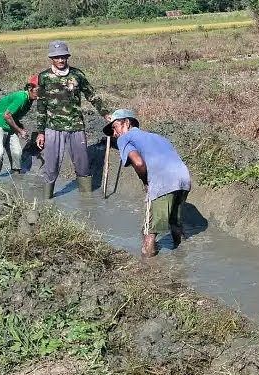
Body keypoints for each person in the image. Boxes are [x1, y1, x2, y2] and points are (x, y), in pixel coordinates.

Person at [107, 109, 191, 258]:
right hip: (183, 178)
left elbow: (139, 163)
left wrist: (146, 182)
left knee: (149, 231)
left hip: (163, 180)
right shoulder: (157, 136)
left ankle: (148, 266)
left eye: (114, 127)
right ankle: (181, 256)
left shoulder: (124, 138)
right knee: (175, 222)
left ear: (127, 123)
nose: (114, 133)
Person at [35, 40, 110, 199]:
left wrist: (105, 113)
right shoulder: (44, 77)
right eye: (57, 57)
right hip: (53, 127)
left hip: (76, 125)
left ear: (67, 57)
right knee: (51, 166)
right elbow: (41, 106)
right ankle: (47, 201)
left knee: (82, 165)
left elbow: (92, 95)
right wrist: (40, 132)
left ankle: (87, 202)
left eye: (63, 57)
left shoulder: (77, 75)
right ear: (51, 59)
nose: (61, 60)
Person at [0, 75, 40, 178]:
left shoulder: (30, 100)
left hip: (7, 122)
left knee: (17, 150)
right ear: (30, 88)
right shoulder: (21, 98)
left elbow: (14, 115)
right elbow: (7, 115)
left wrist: (20, 127)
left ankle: (16, 176)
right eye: (38, 91)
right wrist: (20, 131)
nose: (40, 95)